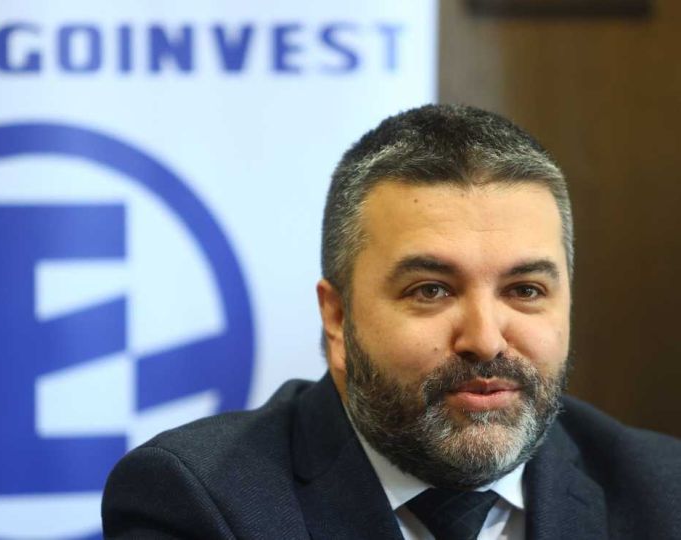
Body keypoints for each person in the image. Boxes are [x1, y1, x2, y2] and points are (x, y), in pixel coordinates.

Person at [101, 104, 681, 539]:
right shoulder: (201, 502)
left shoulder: (665, 494)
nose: (485, 340)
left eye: (525, 290)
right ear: (337, 318)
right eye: (431, 291)